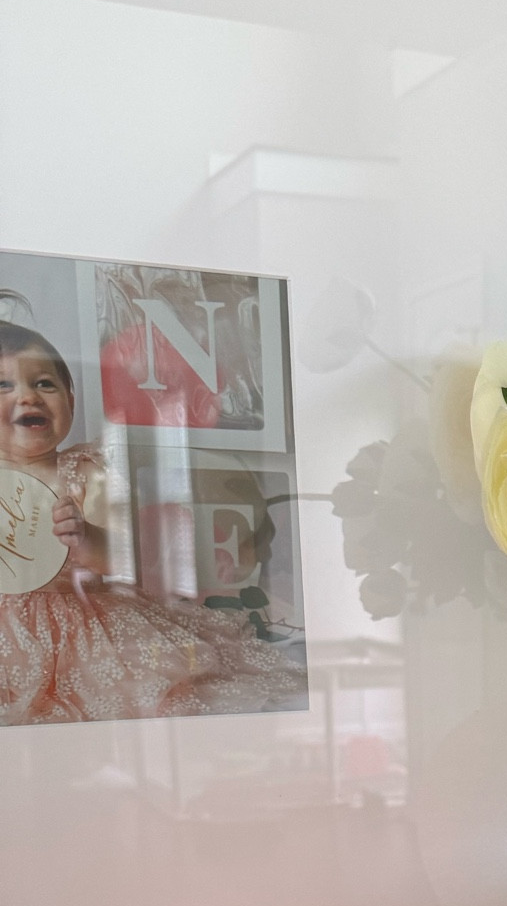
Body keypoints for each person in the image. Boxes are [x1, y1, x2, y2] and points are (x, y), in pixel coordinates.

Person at [0, 307, 304, 724]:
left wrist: (87, 539)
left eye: (45, 383)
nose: (27, 396)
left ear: (71, 400)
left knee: (134, 691)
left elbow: (121, 555)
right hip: (8, 632)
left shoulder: (84, 470)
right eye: (2, 385)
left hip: (83, 619)